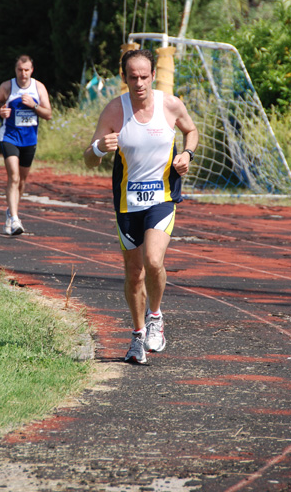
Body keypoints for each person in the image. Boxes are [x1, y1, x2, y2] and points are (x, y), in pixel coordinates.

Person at [84, 49, 199, 364]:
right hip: (126, 202)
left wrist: (187, 154)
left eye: (144, 77)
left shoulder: (170, 105)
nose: (139, 83)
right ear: (124, 77)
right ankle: (137, 337)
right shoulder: (113, 111)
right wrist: (98, 147)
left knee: (153, 260)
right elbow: (89, 158)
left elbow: (191, 131)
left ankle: (156, 318)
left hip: (162, 197)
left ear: (152, 75)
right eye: (132, 77)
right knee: (133, 273)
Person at [0, 55, 52, 235]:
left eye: (26, 70)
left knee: (22, 181)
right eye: (20, 70)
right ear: (15, 70)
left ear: (31, 70)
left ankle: (11, 211)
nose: (23, 74)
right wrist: (0, 111)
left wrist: (34, 105)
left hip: (29, 140)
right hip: (10, 137)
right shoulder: (7, 86)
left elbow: (48, 113)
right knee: (14, 176)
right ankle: (15, 219)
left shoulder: (38, 87)